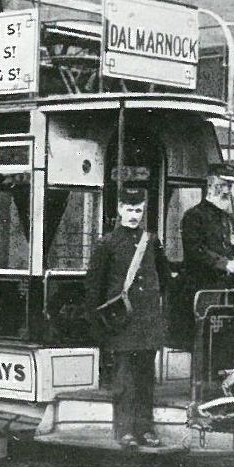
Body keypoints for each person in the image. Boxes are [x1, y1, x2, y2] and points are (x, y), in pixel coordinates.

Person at [84, 188, 170, 449]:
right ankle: (124, 431)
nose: (134, 215)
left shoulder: (151, 242)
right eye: (130, 210)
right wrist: (100, 327)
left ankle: (145, 430)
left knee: (145, 380)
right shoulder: (107, 244)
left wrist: (159, 316)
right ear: (119, 209)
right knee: (124, 380)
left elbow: (165, 279)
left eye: (139, 210)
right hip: (121, 324)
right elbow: (94, 288)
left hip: (147, 324)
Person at [173, 162, 234, 347]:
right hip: (202, 289)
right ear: (210, 186)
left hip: (227, 290)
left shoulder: (228, 219)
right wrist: (225, 264)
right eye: (223, 185)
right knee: (205, 342)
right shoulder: (194, 216)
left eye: (229, 186)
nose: (227, 191)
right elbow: (195, 250)